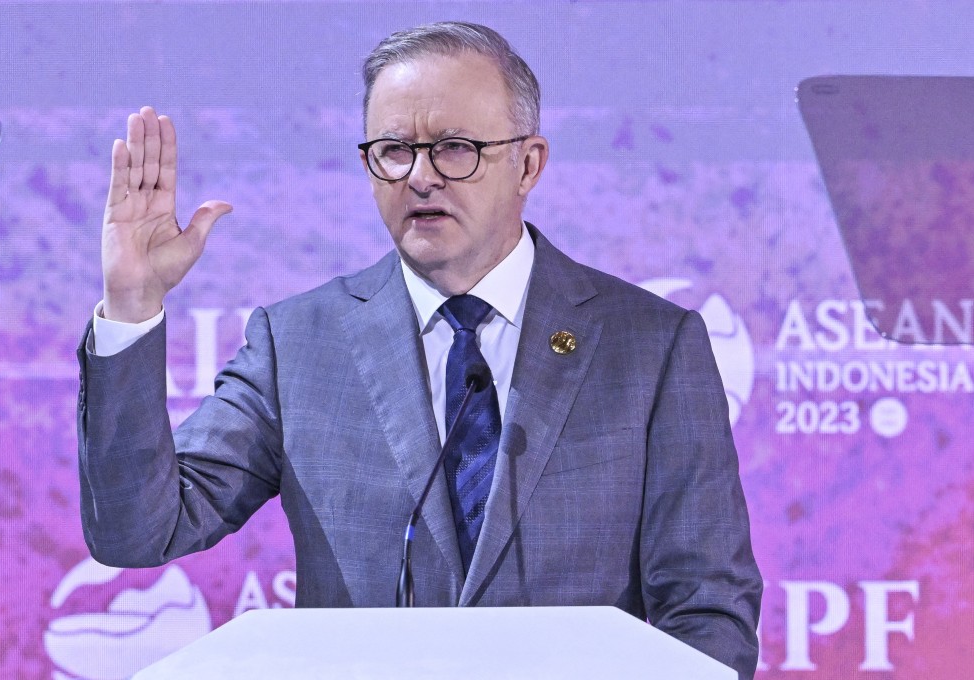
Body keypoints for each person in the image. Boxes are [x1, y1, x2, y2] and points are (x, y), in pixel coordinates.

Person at [78, 21, 762, 678]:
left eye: (456, 148)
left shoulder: (649, 346)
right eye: (394, 150)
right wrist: (132, 305)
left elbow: (707, 610)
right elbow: (138, 530)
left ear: (528, 164)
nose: (420, 176)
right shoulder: (299, 345)